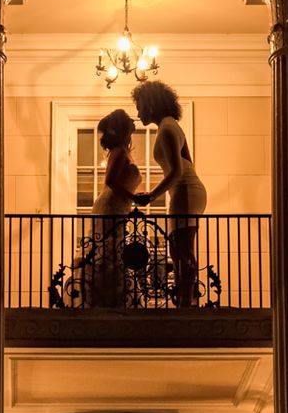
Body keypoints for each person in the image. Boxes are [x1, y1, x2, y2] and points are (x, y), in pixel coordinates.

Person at [131, 80, 208, 307]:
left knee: (180, 249)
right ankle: (187, 299)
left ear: (151, 104)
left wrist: (151, 196)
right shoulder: (171, 125)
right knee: (180, 248)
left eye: (140, 106)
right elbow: (188, 163)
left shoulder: (166, 128)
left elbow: (176, 171)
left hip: (185, 190)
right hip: (187, 190)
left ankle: (186, 302)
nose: (138, 112)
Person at [73, 109, 139, 307]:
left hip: (116, 207)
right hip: (110, 207)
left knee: (112, 253)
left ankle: (111, 298)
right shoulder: (119, 151)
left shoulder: (121, 151)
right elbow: (110, 181)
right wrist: (133, 197)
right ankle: (104, 300)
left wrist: (132, 198)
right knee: (108, 254)